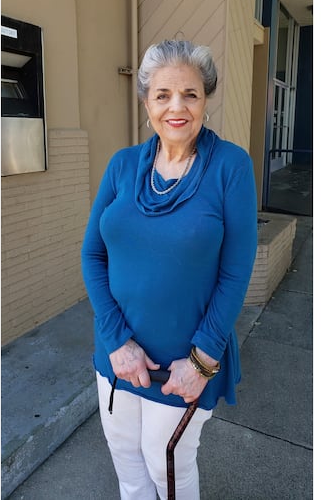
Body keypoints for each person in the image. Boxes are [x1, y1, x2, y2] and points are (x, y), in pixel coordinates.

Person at [81, 39, 257, 500]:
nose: (176, 107)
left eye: (190, 94)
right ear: (146, 102)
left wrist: (201, 361)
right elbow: (92, 255)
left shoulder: (230, 167)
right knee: (128, 464)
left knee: (168, 468)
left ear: (205, 99)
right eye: (162, 95)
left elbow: (236, 273)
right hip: (117, 356)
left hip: (185, 362)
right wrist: (116, 340)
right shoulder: (122, 166)